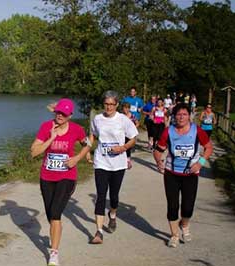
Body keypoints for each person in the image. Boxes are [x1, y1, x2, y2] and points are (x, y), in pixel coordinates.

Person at [31, 98, 90, 266]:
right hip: (47, 177)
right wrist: (51, 138)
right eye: (58, 112)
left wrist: (77, 158)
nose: (60, 116)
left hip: (67, 177)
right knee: (51, 215)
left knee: (56, 212)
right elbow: (34, 152)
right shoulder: (45, 127)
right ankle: (55, 232)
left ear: (70, 115)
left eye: (64, 113)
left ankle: (54, 252)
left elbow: (88, 144)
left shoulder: (77, 129)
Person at [153, 103, 213, 248]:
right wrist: (159, 162)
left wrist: (200, 163)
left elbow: (208, 147)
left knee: (188, 207)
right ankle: (174, 235)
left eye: (184, 114)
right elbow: (158, 150)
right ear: (174, 116)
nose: (181, 117)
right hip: (171, 174)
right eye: (178, 114)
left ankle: (184, 224)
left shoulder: (197, 131)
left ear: (189, 116)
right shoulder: (168, 132)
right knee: (172, 206)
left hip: (190, 174)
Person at [88, 91, 139, 244]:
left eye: (112, 104)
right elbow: (93, 135)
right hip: (101, 162)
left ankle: (113, 215)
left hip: (118, 163)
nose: (109, 107)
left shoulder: (123, 120)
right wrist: (87, 150)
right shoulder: (97, 119)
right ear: (103, 104)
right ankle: (98, 232)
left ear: (116, 105)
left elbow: (133, 138)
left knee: (114, 196)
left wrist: (123, 148)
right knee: (101, 195)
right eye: (106, 104)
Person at [121, 103, 138, 168]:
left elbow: (137, 123)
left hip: (129, 135)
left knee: (128, 147)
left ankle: (128, 161)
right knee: (122, 146)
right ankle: (122, 161)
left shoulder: (132, 116)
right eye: (125, 108)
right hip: (122, 134)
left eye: (127, 108)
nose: (126, 109)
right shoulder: (120, 116)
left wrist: (133, 129)